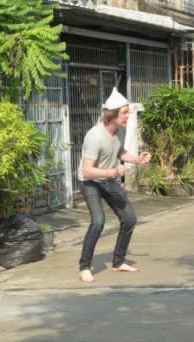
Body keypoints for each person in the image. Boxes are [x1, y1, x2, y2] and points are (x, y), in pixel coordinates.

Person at [78, 87, 151, 283]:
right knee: (98, 222)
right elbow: (87, 171)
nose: (128, 116)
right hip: (90, 182)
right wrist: (113, 172)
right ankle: (85, 266)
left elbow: (119, 153)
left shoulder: (118, 132)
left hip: (109, 180)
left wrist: (137, 159)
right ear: (112, 114)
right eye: (125, 112)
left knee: (129, 218)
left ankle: (118, 262)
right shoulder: (94, 136)